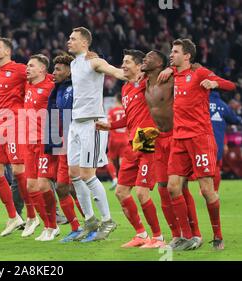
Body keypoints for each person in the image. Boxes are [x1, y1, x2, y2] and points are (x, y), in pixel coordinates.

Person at [159, 38, 236, 250]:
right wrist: (167, 69)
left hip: (200, 138)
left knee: (207, 189)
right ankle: (186, 236)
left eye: (175, 52)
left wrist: (214, 83)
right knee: (173, 187)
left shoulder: (200, 73)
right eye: (171, 52)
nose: (171, 54)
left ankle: (217, 235)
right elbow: (165, 70)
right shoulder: (174, 73)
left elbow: (230, 85)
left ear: (187, 56)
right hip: (179, 139)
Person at [97, 49, 165, 248]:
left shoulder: (147, 83)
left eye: (127, 62)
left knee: (142, 193)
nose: (123, 65)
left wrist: (157, 72)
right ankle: (141, 234)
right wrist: (111, 125)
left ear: (138, 65)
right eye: (123, 61)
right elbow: (129, 117)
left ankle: (158, 238)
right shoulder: (126, 88)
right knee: (121, 191)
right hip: (132, 141)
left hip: (148, 138)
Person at [143, 50, 203, 249]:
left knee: (178, 188)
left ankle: (194, 235)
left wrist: (172, 68)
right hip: (157, 139)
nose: (145, 59)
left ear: (160, 63)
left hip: (176, 138)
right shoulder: (144, 82)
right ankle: (177, 235)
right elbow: (121, 71)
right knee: (162, 189)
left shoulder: (170, 80)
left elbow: (196, 68)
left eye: (149, 57)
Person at [66, 27, 121, 242]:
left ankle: (107, 220)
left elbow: (112, 70)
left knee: (88, 174)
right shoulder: (74, 63)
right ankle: (90, 220)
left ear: (85, 43)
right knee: (73, 173)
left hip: (92, 123)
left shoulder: (94, 62)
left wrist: (127, 74)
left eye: (73, 39)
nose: (68, 41)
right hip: (75, 123)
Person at [0, 38, 28, 237]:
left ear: (8, 51)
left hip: (14, 123)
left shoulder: (20, 69)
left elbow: (40, 77)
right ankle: (13, 217)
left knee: (18, 170)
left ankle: (31, 215)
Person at [45, 53, 84, 242]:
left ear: (69, 70)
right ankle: (77, 228)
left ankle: (92, 225)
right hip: (62, 143)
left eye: (58, 69)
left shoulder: (78, 85)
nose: (54, 73)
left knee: (75, 186)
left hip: (76, 142)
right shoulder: (58, 90)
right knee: (62, 187)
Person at [23, 54, 57, 241]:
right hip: (28, 142)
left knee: (44, 184)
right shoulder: (28, 85)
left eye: (31, 66)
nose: (27, 69)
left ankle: (53, 225)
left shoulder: (51, 86)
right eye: (27, 66)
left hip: (44, 142)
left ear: (43, 69)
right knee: (30, 186)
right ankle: (48, 225)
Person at [209, 91, 242, 192]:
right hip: (217, 141)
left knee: (203, 167)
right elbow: (234, 119)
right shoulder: (222, 105)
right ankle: (214, 191)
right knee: (217, 166)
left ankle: (204, 190)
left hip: (200, 140)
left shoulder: (200, 102)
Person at [106, 94, 128, 191]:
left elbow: (108, 124)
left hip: (114, 139)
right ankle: (123, 181)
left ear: (116, 99)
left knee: (109, 159)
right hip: (125, 138)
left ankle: (115, 178)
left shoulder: (112, 111)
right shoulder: (126, 111)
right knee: (122, 160)